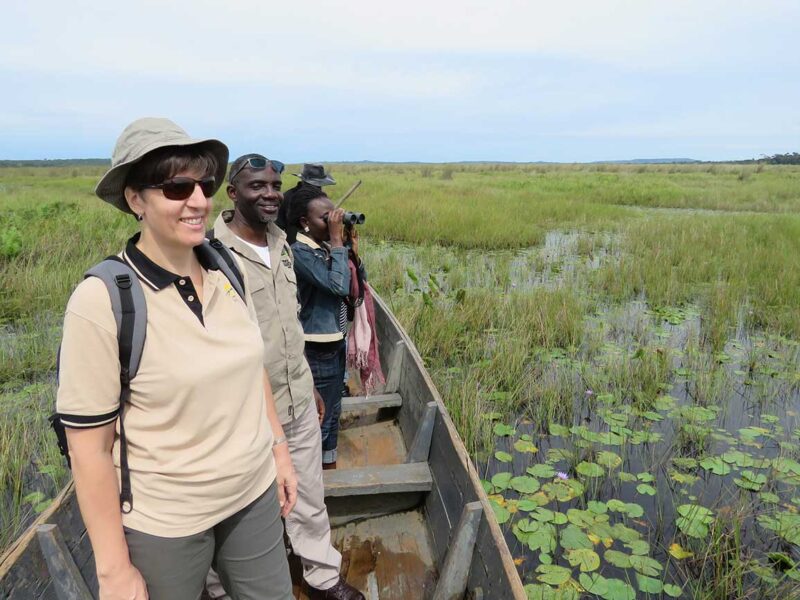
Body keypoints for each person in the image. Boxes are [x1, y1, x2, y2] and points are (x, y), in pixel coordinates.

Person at [56, 118, 295, 600]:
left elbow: (253, 370)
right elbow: (88, 449)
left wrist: (279, 450)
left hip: (252, 494)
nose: (198, 201)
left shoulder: (226, 268)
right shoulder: (103, 300)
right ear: (135, 200)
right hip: (165, 520)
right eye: (176, 188)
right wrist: (114, 570)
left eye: (205, 185)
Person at [207, 154, 365, 599]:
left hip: (297, 397)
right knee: (238, 505)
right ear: (233, 193)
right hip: (247, 411)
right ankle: (221, 587)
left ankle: (322, 576)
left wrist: (308, 383)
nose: (270, 193)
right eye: (257, 186)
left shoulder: (283, 244)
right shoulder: (212, 253)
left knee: (310, 493)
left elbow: (290, 327)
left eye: (275, 185)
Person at [287, 188, 366, 470]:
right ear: (304, 222)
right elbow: (337, 286)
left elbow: (356, 288)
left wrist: (350, 252)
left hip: (335, 340)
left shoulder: (324, 249)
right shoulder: (300, 253)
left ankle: (328, 465)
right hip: (316, 346)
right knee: (319, 415)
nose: (333, 222)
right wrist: (336, 242)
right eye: (326, 218)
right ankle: (311, 473)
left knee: (333, 409)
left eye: (334, 216)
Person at [276, 163, 336, 231]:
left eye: (319, 185)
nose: (317, 188)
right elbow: (279, 225)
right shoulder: (288, 197)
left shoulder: (321, 199)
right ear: (304, 182)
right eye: (313, 185)